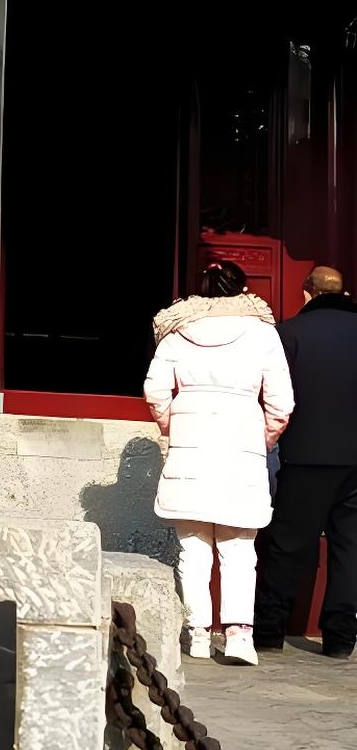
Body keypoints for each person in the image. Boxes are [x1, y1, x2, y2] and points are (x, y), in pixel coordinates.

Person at [144, 259, 293, 665]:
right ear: (242, 290)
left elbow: (155, 391)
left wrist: (174, 426)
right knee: (239, 548)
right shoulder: (262, 333)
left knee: (193, 549)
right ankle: (240, 636)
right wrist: (264, 438)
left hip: (191, 444)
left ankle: (197, 634)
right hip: (242, 445)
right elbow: (281, 402)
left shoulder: (176, 331)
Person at [255, 264, 357, 660]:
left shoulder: (288, 333)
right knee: (350, 549)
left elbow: (271, 395)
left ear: (306, 293)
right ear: (343, 294)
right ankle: (340, 639)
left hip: (306, 455)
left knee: (288, 545)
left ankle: (269, 630)